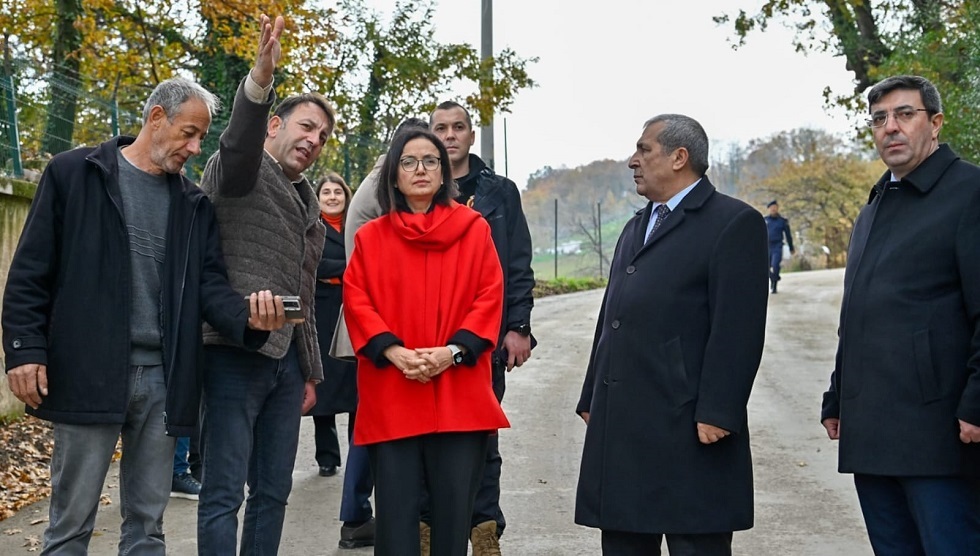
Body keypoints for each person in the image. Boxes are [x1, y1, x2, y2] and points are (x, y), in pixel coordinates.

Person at [1, 77, 285, 555]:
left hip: (163, 381)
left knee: (147, 530)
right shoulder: (74, 174)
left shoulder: (193, 205)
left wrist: (249, 320)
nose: (195, 148)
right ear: (156, 118)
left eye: (201, 137)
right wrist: (24, 350)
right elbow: (31, 271)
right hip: (88, 371)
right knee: (70, 525)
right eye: (189, 133)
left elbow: (210, 286)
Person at [575, 114, 769, 555]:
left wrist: (719, 411)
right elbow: (612, 317)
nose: (633, 161)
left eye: (644, 150)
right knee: (625, 541)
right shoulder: (636, 226)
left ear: (680, 157)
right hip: (624, 422)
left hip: (689, 424)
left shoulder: (733, 222)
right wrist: (593, 396)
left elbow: (738, 329)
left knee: (694, 539)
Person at [820, 75, 980, 555]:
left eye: (905, 114)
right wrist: (837, 395)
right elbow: (859, 313)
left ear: (936, 123)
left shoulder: (970, 192)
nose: (890, 127)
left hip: (940, 436)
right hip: (871, 432)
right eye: (879, 119)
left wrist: (977, 404)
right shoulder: (873, 207)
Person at [196, 14, 333, 555]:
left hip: (286, 365)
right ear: (274, 125)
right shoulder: (239, 171)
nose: (314, 140)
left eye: (322, 136)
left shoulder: (311, 207)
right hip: (232, 353)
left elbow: (308, 299)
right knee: (224, 492)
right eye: (306, 126)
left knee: (274, 493)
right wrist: (260, 80)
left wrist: (310, 372)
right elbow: (238, 142)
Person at [343, 127, 509, 555]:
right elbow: (357, 300)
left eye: (430, 161)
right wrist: (394, 352)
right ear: (394, 176)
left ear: (443, 173)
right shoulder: (370, 238)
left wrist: (451, 353)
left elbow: (489, 296)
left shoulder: (474, 230)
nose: (420, 169)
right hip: (393, 388)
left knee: (454, 515)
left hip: (457, 388)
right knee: (397, 518)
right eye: (409, 162)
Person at [427, 100, 535, 555]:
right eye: (441, 128)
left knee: (482, 439)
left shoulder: (500, 192)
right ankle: (428, 532)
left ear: (472, 136)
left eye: (459, 127)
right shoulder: (419, 187)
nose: (450, 135)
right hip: (428, 336)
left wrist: (518, 326)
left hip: (485, 339)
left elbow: (518, 263)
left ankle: (485, 531)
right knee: (427, 438)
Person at [333, 116, 430, 551]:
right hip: (377, 323)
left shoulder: (377, 180)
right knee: (372, 421)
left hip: (371, 319)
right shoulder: (385, 188)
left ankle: (357, 515)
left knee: (368, 418)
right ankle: (357, 515)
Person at [308, 173, 357, 479]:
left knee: (355, 389)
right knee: (324, 387)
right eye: (326, 192)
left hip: (352, 308)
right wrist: (349, 267)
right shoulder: (312, 227)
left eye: (337, 192)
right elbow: (315, 265)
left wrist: (338, 272)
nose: (332, 197)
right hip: (322, 311)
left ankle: (358, 451)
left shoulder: (355, 225)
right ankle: (327, 457)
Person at [764, 200, 794, 293]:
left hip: (777, 246)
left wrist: (791, 247)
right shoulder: (765, 220)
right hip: (766, 246)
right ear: (769, 209)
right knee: (765, 266)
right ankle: (773, 278)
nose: (773, 209)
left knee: (775, 264)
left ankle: (774, 285)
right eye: (772, 207)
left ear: (777, 208)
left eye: (775, 207)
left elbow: (788, 235)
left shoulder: (782, 221)